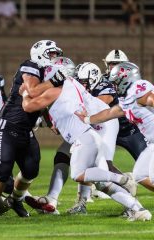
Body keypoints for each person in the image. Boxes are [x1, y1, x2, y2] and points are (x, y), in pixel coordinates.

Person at [22, 59, 151, 221]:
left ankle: (122, 179)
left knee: (81, 173)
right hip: (90, 129)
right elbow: (55, 123)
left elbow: (29, 104)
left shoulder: (57, 90)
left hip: (95, 129)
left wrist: (25, 92)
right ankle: (138, 209)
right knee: (100, 181)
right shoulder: (69, 86)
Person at [0, 40, 66, 221]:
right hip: (8, 126)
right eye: (51, 53)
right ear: (40, 53)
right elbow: (32, 91)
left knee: (31, 170)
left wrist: (50, 121)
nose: (54, 58)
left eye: (56, 54)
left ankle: (16, 200)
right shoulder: (30, 65)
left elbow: (42, 102)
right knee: (2, 172)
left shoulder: (44, 73)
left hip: (26, 129)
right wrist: (53, 82)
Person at [77, 62, 154, 195]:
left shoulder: (138, 88)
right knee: (140, 175)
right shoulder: (128, 98)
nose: (115, 86)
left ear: (126, 79)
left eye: (116, 82)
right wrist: (86, 119)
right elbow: (109, 114)